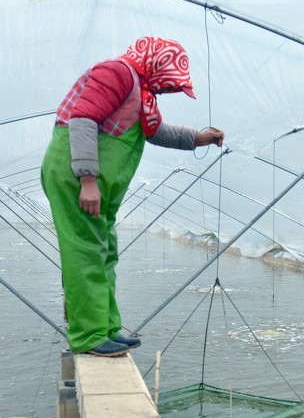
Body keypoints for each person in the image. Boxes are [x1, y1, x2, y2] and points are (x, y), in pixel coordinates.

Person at [40, 36, 225, 357]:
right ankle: (89, 335)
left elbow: (156, 131)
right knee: (86, 253)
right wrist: (88, 179)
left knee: (105, 252)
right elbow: (82, 119)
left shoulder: (140, 92)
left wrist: (198, 139)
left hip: (98, 186)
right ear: (157, 64)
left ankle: (106, 328)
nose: (165, 90)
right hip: (76, 178)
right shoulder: (117, 73)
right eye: (168, 83)